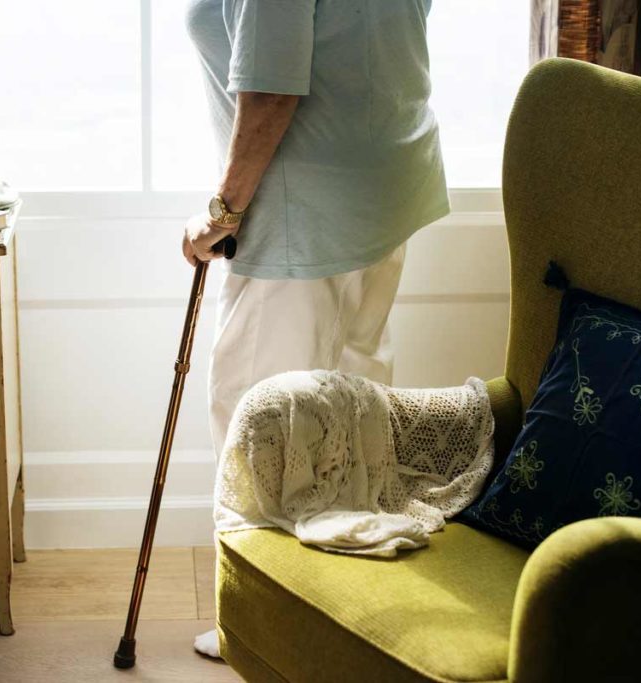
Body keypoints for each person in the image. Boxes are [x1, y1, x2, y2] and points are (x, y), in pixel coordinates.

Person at [183, 0, 448, 659]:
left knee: (262, 421)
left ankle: (266, 625)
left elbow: (272, 90)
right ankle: (346, 620)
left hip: (306, 207)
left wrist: (221, 211)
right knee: (350, 415)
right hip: (383, 182)